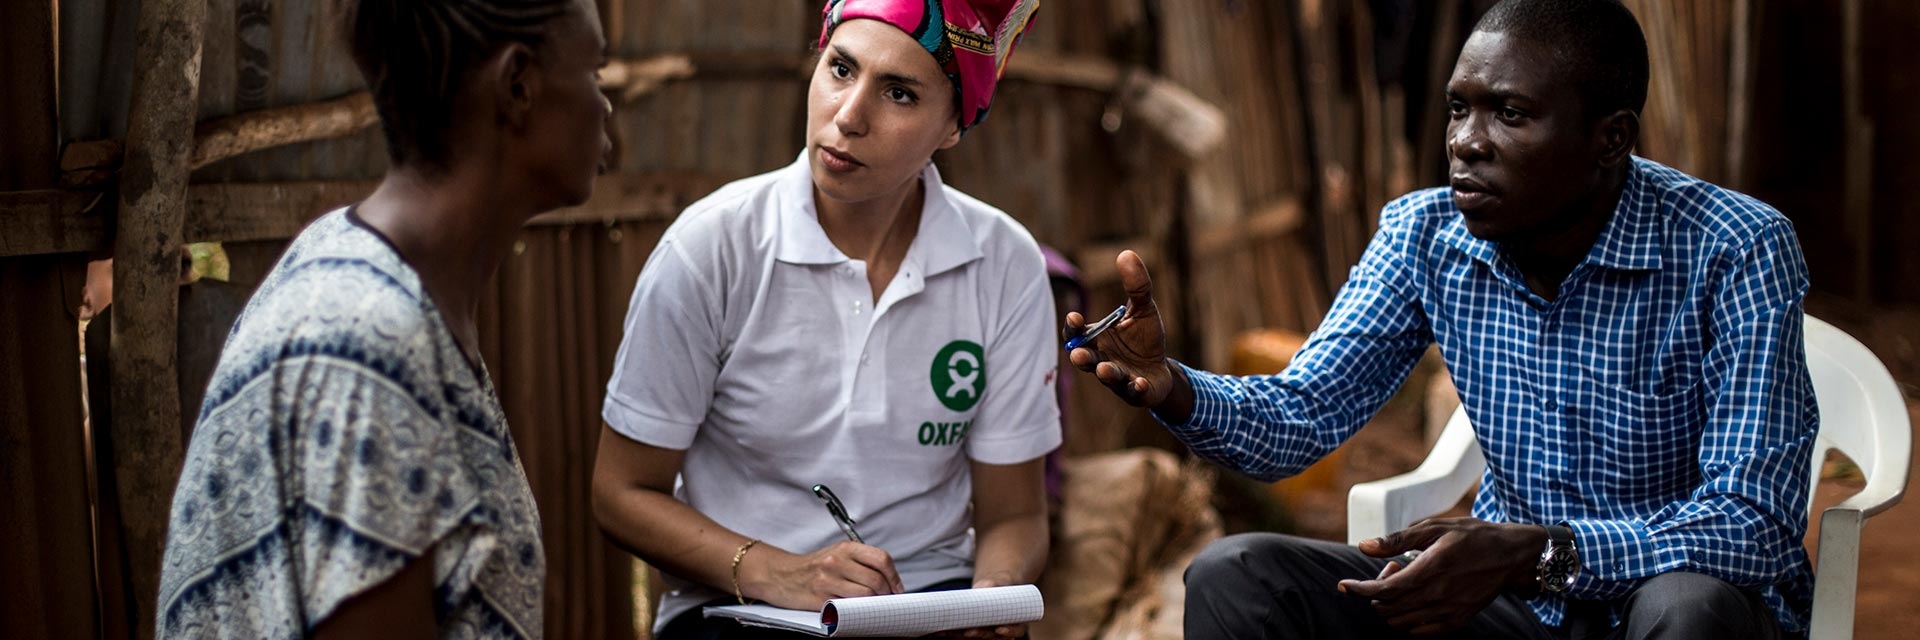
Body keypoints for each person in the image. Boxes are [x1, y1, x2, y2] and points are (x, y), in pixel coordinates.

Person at [1065, 0, 1816, 638]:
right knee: (1237, 576)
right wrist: (1173, 388)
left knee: (1689, 604)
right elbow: (1301, 414)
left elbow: (1756, 521)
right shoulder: (1426, 236)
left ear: (1610, 138)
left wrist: (1540, 551)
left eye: (1511, 114)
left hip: (1673, 603)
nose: (1465, 142)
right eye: (1461, 107)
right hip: (1517, 608)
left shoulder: (1735, 247)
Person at [591, 1, 1058, 639]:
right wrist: (774, 571)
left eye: (899, 93)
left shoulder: (1004, 263)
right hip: (741, 612)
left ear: (952, 126)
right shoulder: (711, 250)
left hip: (930, 604)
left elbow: (1016, 516)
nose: (848, 115)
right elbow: (619, 493)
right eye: (840, 68)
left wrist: (991, 600)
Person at [155, 0, 613, 637]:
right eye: (594, 70)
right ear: (517, 86)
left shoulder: (382, 284)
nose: (606, 103)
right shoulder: (364, 341)